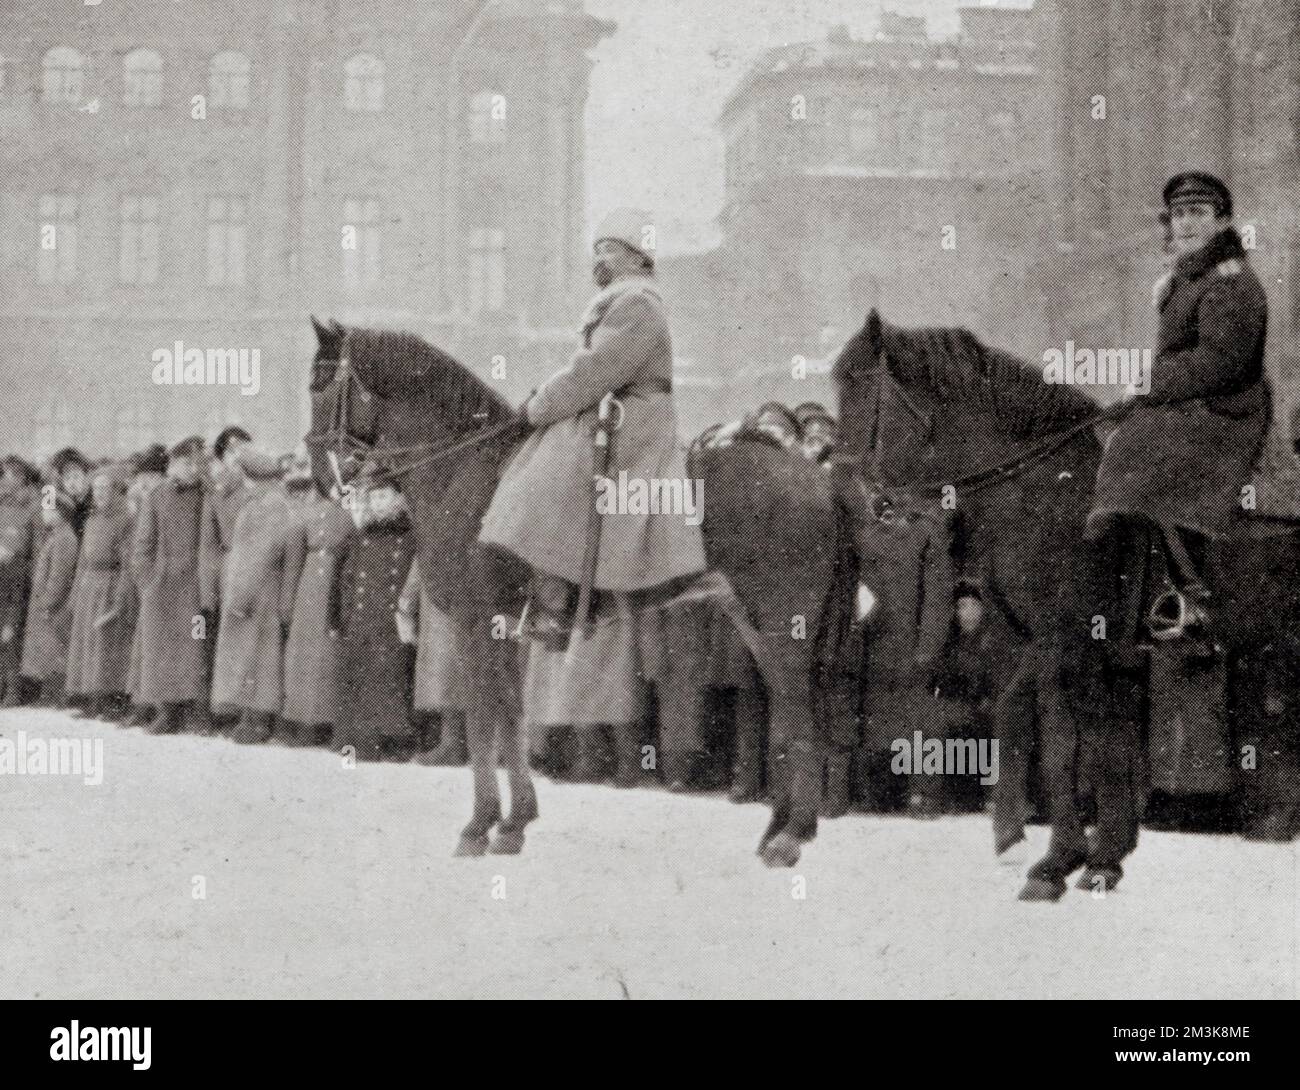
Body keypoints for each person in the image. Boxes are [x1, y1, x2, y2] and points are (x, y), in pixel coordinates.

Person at [480, 208, 706, 784]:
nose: (597, 259)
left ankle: (553, 595)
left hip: (636, 424)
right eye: (596, 248)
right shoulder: (624, 301)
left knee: (551, 467)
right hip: (615, 413)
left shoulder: (637, 303)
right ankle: (552, 589)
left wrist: (535, 407)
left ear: (635, 256)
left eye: (609, 248)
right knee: (553, 455)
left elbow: (594, 370)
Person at [1087, 171, 1269, 655]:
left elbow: (1220, 362)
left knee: (1142, 446)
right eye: (1180, 214)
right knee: (1110, 433)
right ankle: (1141, 587)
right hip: (1194, 400)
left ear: (1222, 221)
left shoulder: (1231, 282)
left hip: (1228, 409)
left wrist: (1149, 386)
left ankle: (1189, 598)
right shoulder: (1186, 279)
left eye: (1199, 213)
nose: (1187, 223)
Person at [210, 453, 303, 745]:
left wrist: (239, 598)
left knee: (256, 654)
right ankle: (252, 715)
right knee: (256, 653)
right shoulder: (271, 504)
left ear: (248, 475)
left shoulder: (264, 508)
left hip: (258, 593)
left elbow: (257, 558)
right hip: (262, 590)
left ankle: (258, 718)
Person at [329, 470, 418, 762]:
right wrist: (336, 618)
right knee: (359, 679)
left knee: (391, 678)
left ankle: (394, 740)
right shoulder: (358, 536)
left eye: (384, 496)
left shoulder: (410, 537)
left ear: (399, 499)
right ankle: (358, 743)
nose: (378, 504)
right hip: (361, 618)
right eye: (374, 497)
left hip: (393, 620)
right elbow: (342, 579)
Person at [131, 436, 210, 734]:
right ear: (173, 465)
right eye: (186, 463)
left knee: (196, 644)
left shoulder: (205, 494)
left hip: (194, 585)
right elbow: (143, 544)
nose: (192, 469)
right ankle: (165, 710)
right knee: (161, 648)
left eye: (196, 463)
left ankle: (196, 711)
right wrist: (148, 582)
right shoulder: (156, 496)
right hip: (162, 587)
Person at [281, 477, 355, 748]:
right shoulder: (310, 515)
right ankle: (302, 721)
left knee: (328, 655)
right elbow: (293, 563)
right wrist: (288, 602)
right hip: (309, 588)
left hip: (335, 583)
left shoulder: (355, 514)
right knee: (303, 655)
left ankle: (327, 722)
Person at [64, 463, 135, 719]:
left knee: (107, 643)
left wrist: (119, 598)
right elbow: (83, 559)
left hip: (110, 584)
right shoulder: (92, 520)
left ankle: (111, 700)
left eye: (105, 489)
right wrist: (75, 594)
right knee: (87, 644)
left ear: (115, 491)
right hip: (89, 586)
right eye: (95, 489)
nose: (100, 494)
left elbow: (128, 563)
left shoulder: (125, 520)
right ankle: (91, 698)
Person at [19, 492, 80, 705]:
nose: (44, 514)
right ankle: (49, 694)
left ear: (60, 514)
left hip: (54, 606)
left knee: (54, 649)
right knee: (47, 650)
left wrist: (47, 603)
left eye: (48, 510)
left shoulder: (64, 538)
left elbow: (58, 576)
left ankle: (56, 695)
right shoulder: (57, 536)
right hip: (47, 604)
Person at [0, 455, 42, 706]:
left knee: (12, 635)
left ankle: (16, 690)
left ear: (22, 478)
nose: (6, 479)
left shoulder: (38, 502)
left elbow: (38, 544)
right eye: (5, 474)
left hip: (21, 577)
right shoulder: (2, 503)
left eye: (11, 475)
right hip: (3, 574)